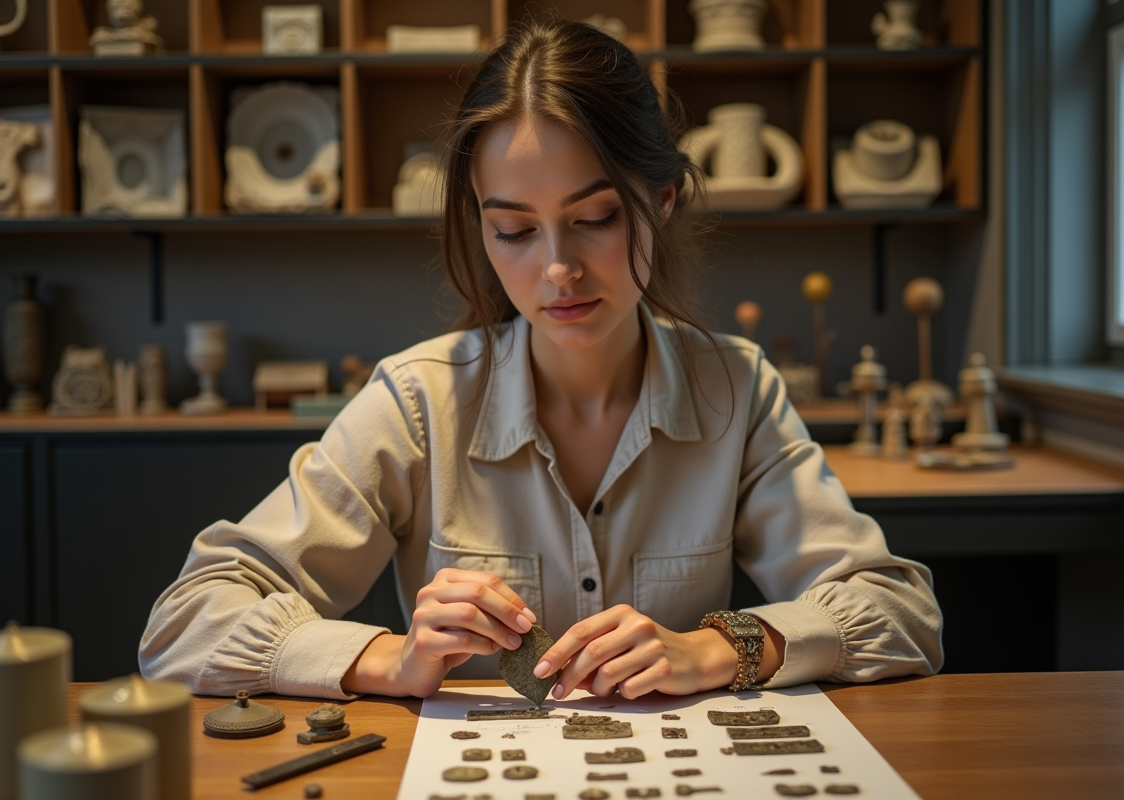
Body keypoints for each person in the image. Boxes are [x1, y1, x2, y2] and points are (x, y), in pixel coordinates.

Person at [139, 18, 942, 702]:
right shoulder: (420, 402)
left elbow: (900, 611)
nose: (557, 271)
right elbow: (186, 621)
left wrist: (722, 646)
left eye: (594, 217)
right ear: (482, 229)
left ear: (661, 203)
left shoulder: (736, 388)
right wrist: (387, 656)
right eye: (515, 231)